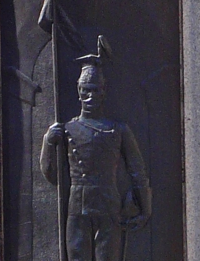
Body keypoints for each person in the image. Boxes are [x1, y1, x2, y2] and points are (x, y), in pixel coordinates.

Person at [40, 51, 150, 261]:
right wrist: (48, 142)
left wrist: (145, 208)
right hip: (77, 206)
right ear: (78, 92)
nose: (89, 97)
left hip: (108, 204)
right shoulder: (67, 130)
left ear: (103, 91)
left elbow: (137, 171)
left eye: (94, 91)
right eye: (85, 91)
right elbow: (51, 175)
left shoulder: (118, 130)